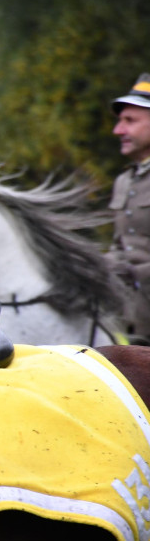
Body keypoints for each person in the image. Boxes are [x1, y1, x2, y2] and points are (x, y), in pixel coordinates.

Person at [107, 73, 150, 343]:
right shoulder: (124, 181)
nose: (118, 131)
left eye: (129, 121)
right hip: (134, 322)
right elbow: (119, 246)